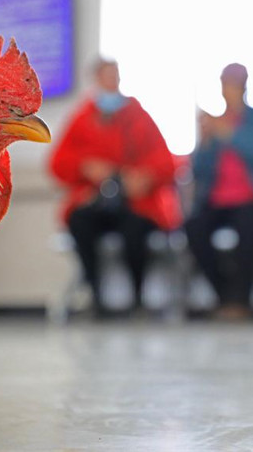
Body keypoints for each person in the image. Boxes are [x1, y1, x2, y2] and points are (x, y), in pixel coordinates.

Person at [49, 59, 181, 316]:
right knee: (79, 220)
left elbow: (166, 161)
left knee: (135, 228)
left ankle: (138, 298)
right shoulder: (82, 119)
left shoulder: (139, 116)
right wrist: (85, 166)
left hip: (135, 204)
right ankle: (95, 295)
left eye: (115, 77)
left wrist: (144, 176)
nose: (112, 82)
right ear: (96, 81)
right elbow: (57, 163)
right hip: (96, 201)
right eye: (106, 77)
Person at [185, 63, 253, 320]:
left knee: (248, 226)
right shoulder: (214, 122)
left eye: (233, 82)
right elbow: (199, 171)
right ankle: (225, 296)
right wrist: (206, 142)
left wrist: (231, 134)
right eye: (224, 83)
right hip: (217, 201)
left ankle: (241, 299)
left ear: (244, 85)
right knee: (193, 227)